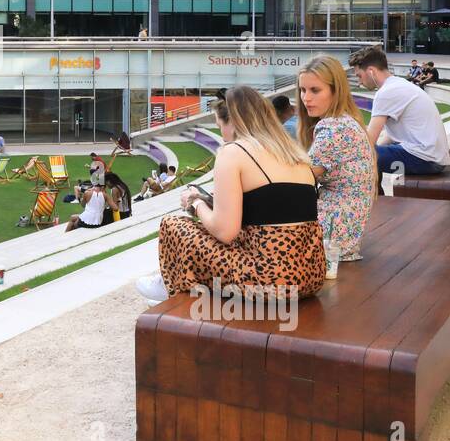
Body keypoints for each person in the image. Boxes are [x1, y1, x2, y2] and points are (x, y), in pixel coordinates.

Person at [137, 86, 325, 303]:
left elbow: (225, 232)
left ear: (234, 121)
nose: (221, 135)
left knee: (173, 224)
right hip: (311, 276)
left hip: (270, 281)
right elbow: (271, 210)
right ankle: (173, 286)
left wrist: (197, 202)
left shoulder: (234, 152)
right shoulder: (293, 152)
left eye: (220, 126)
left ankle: (170, 287)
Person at [297, 55, 376, 265]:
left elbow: (299, 178)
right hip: (339, 230)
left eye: (315, 90)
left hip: (331, 236)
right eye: (303, 90)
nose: (306, 98)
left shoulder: (335, 128)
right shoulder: (344, 121)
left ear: (336, 91)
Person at [350, 46, 449, 177]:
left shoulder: (386, 92)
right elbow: (392, 135)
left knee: (357, 156)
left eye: (359, 76)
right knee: (371, 153)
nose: (359, 82)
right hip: (434, 157)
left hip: (425, 159)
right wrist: (379, 149)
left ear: (371, 71)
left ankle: (373, 197)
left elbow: (368, 142)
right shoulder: (398, 84)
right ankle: (378, 195)